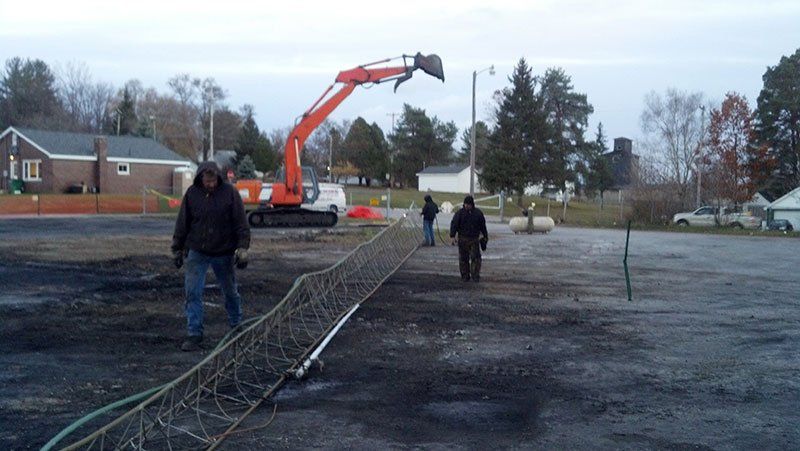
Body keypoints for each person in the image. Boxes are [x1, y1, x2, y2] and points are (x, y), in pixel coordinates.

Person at [171, 162, 251, 351]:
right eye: (207, 181)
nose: (211, 184)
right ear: (201, 179)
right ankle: (194, 334)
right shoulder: (192, 194)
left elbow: (241, 222)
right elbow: (183, 223)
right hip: (197, 251)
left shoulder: (230, 193)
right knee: (192, 293)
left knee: (230, 291)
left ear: (218, 178)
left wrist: (242, 248)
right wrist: (177, 248)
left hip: (223, 251)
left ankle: (236, 326)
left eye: (213, 180)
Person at [449, 195, 488, 282]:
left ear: (472, 204)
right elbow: (454, 224)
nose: (466, 206)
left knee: (476, 258)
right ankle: (465, 276)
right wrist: (452, 236)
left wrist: (485, 237)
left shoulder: (478, 213)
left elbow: (483, 226)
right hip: (462, 239)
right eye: (465, 204)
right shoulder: (459, 213)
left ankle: (475, 275)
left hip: (474, 239)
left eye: (468, 204)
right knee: (463, 259)